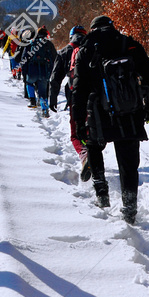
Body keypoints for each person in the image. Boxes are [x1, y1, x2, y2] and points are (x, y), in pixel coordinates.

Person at [71, 15, 149, 224]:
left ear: (92, 29)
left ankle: (102, 196)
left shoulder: (85, 50)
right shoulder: (128, 44)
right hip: (130, 113)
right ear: (112, 26)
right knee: (128, 163)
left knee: (93, 148)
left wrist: (78, 122)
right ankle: (129, 209)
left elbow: (78, 91)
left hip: (97, 114)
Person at [49, 25, 91, 181]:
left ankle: (84, 154)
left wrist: (52, 99)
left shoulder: (65, 51)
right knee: (93, 127)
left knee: (75, 132)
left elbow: (55, 79)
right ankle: (94, 154)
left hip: (75, 96)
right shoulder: (92, 48)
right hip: (95, 97)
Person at [17, 26, 57, 117]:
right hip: (44, 71)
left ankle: (32, 101)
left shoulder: (31, 43)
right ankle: (45, 109)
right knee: (43, 92)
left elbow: (24, 60)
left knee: (29, 83)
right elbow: (55, 59)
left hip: (32, 70)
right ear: (46, 35)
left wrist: (24, 73)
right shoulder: (49, 44)